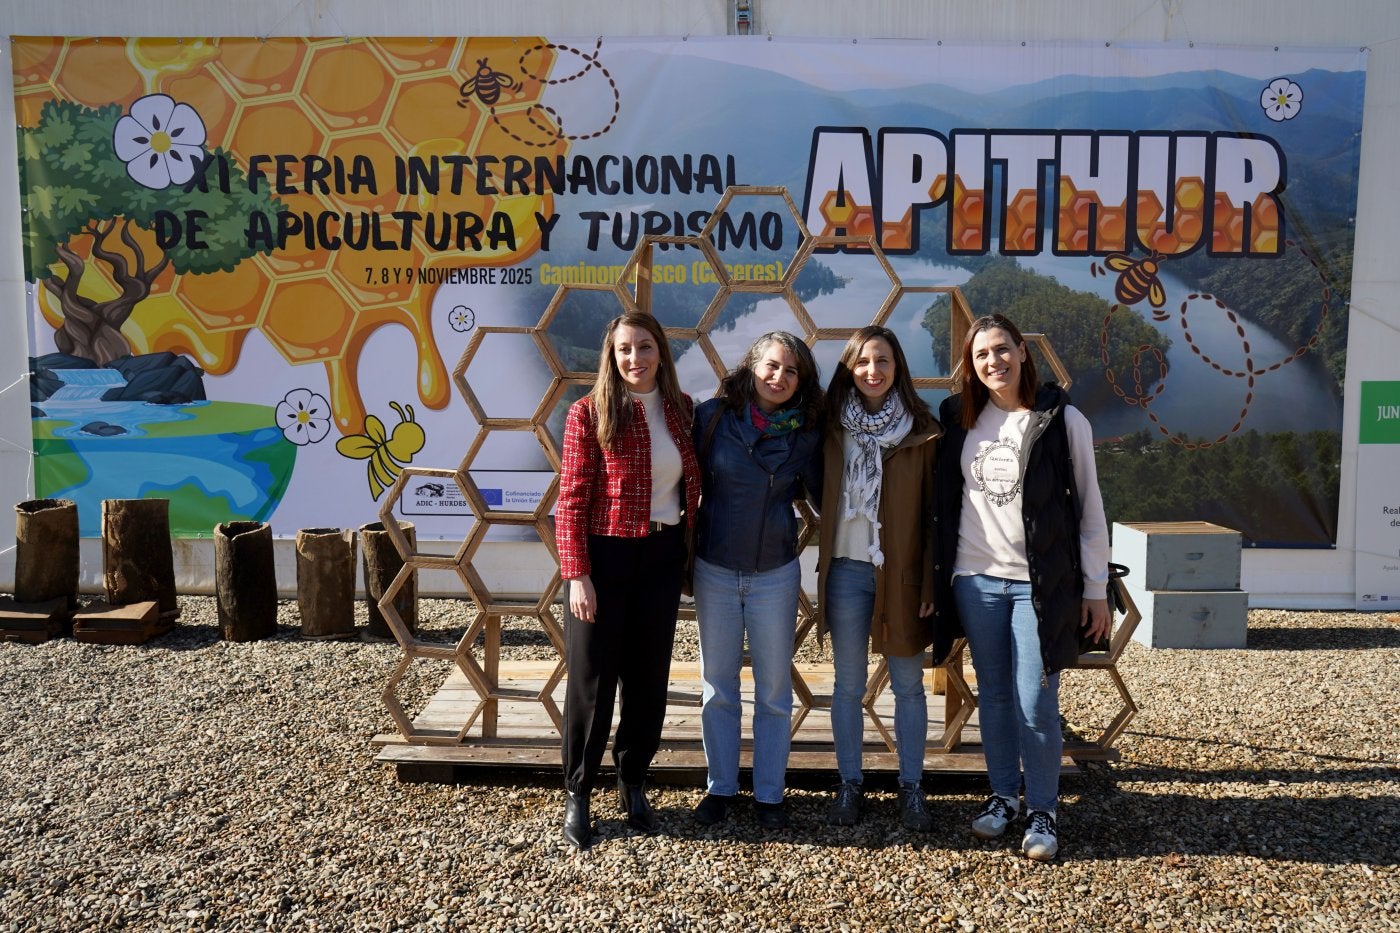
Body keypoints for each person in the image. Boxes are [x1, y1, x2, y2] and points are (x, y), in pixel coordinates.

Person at [931, 313, 1111, 862]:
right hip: (976, 580)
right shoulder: (958, 418)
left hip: (1039, 586)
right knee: (995, 695)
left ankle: (1043, 809)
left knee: (1036, 699)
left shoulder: (1062, 418)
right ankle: (1004, 796)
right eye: (982, 354)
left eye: (1002, 349)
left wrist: (1095, 588)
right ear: (971, 365)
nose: (995, 361)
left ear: (1023, 351)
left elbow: (1090, 509)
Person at [555, 311, 701, 850]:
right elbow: (571, 501)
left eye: (644, 347)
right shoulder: (589, 413)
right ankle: (578, 791)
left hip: (661, 556)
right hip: (605, 557)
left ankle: (632, 780)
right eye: (624, 349)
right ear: (611, 356)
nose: (634, 358)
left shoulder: (683, 410)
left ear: (661, 352)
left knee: (648, 679)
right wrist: (578, 575)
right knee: (592, 681)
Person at [690, 331, 824, 830]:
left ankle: (770, 793)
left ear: (802, 381)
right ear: (751, 367)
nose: (779, 377)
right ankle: (720, 787)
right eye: (771, 365)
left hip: (775, 573)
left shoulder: (807, 433)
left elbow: (826, 494)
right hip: (715, 568)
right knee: (718, 685)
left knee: (772, 690)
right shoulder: (712, 418)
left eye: (791, 371)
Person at [815, 325, 942, 831]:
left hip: (901, 574)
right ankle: (850, 783)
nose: (873, 370)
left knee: (909, 686)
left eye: (882, 360)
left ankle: (911, 786)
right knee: (848, 686)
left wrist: (930, 584)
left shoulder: (922, 431)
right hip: (847, 570)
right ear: (849, 368)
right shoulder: (830, 427)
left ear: (898, 367)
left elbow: (934, 515)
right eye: (863, 361)